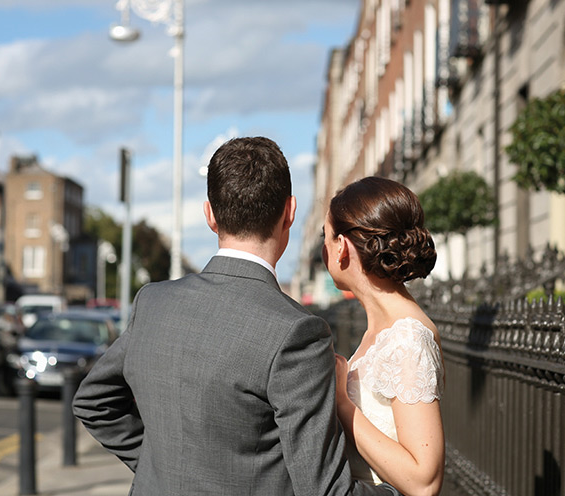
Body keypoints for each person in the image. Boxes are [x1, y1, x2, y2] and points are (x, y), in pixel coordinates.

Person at [73, 137, 400, 495]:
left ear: (210, 215)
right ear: (289, 212)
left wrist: (158, 468)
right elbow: (323, 490)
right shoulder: (298, 333)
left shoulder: (153, 303)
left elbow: (94, 403)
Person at [322, 176, 445, 496]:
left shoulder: (407, 338)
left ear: (342, 248)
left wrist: (342, 404)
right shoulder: (382, 329)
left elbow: (423, 481)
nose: (324, 251)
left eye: (326, 239)